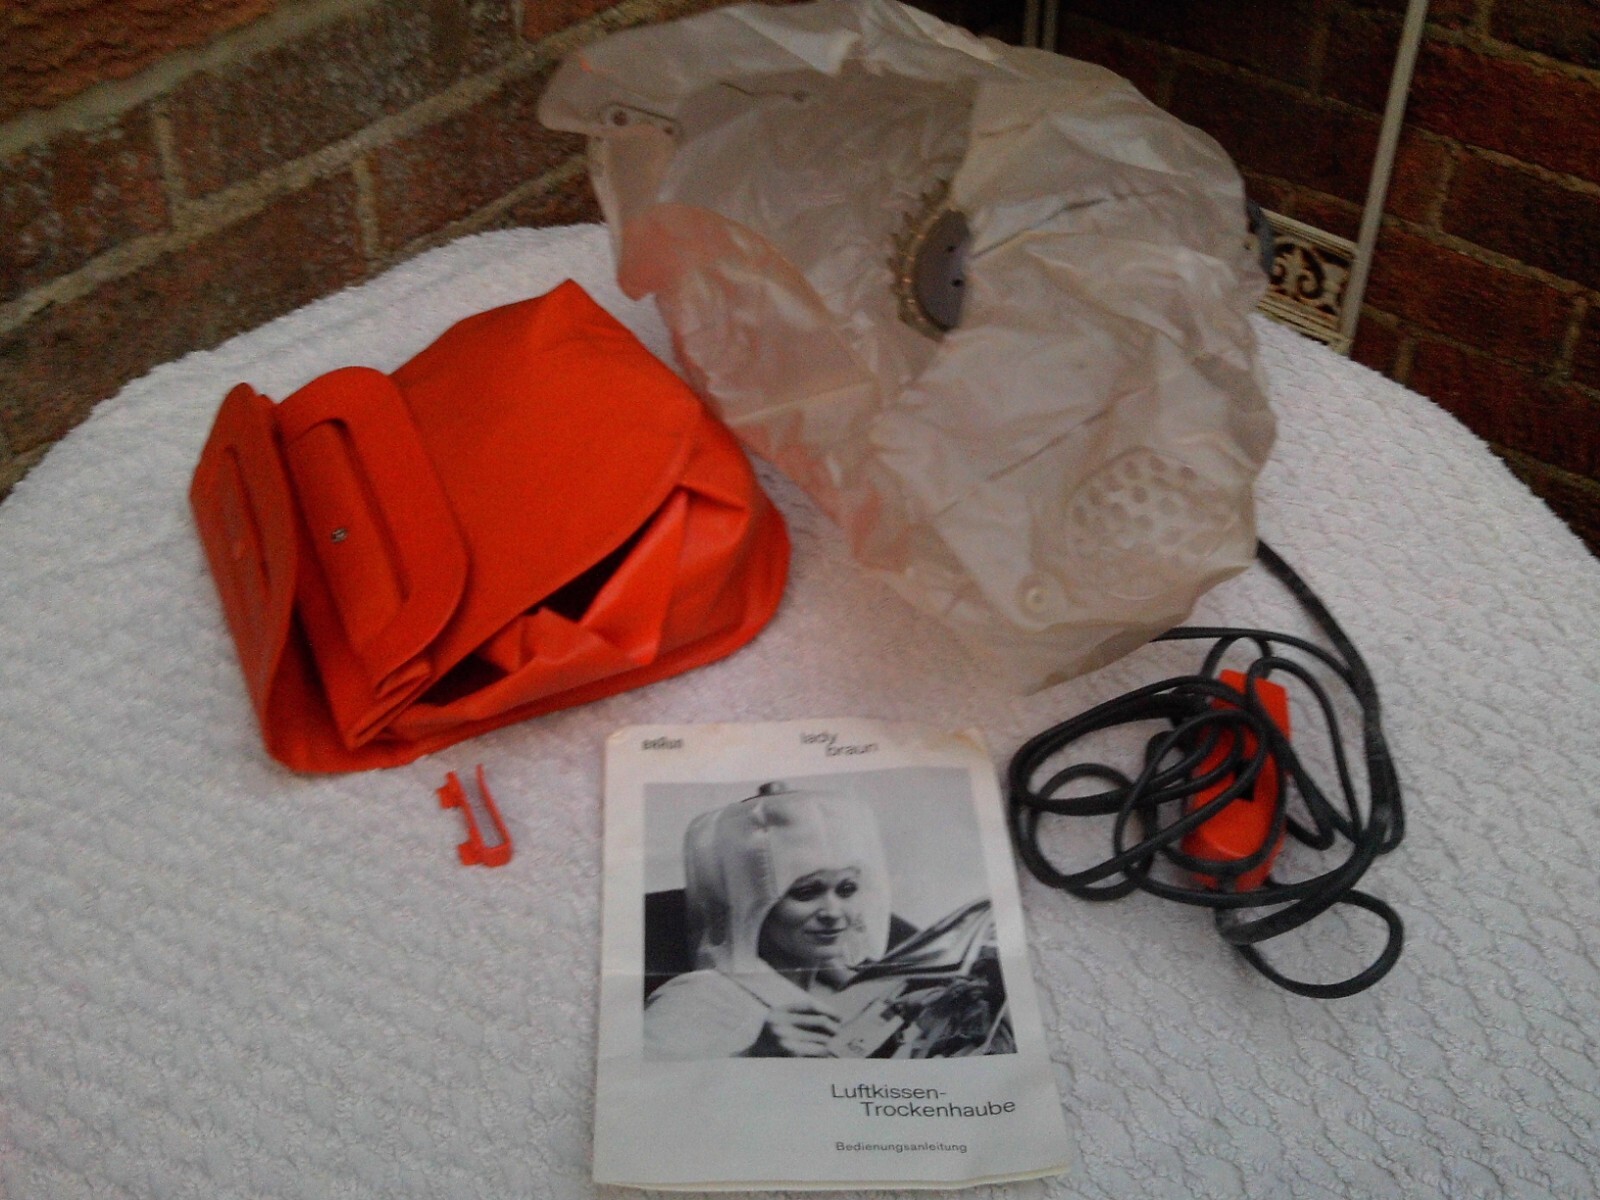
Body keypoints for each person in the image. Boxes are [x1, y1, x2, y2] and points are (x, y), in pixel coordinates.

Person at [643, 780, 891, 1060]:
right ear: (754, 905)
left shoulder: (864, 989)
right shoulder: (698, 1000)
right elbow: (637, 1085)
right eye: (805, 893)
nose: (833, 912)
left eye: (846, 889)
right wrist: (755, 1056)